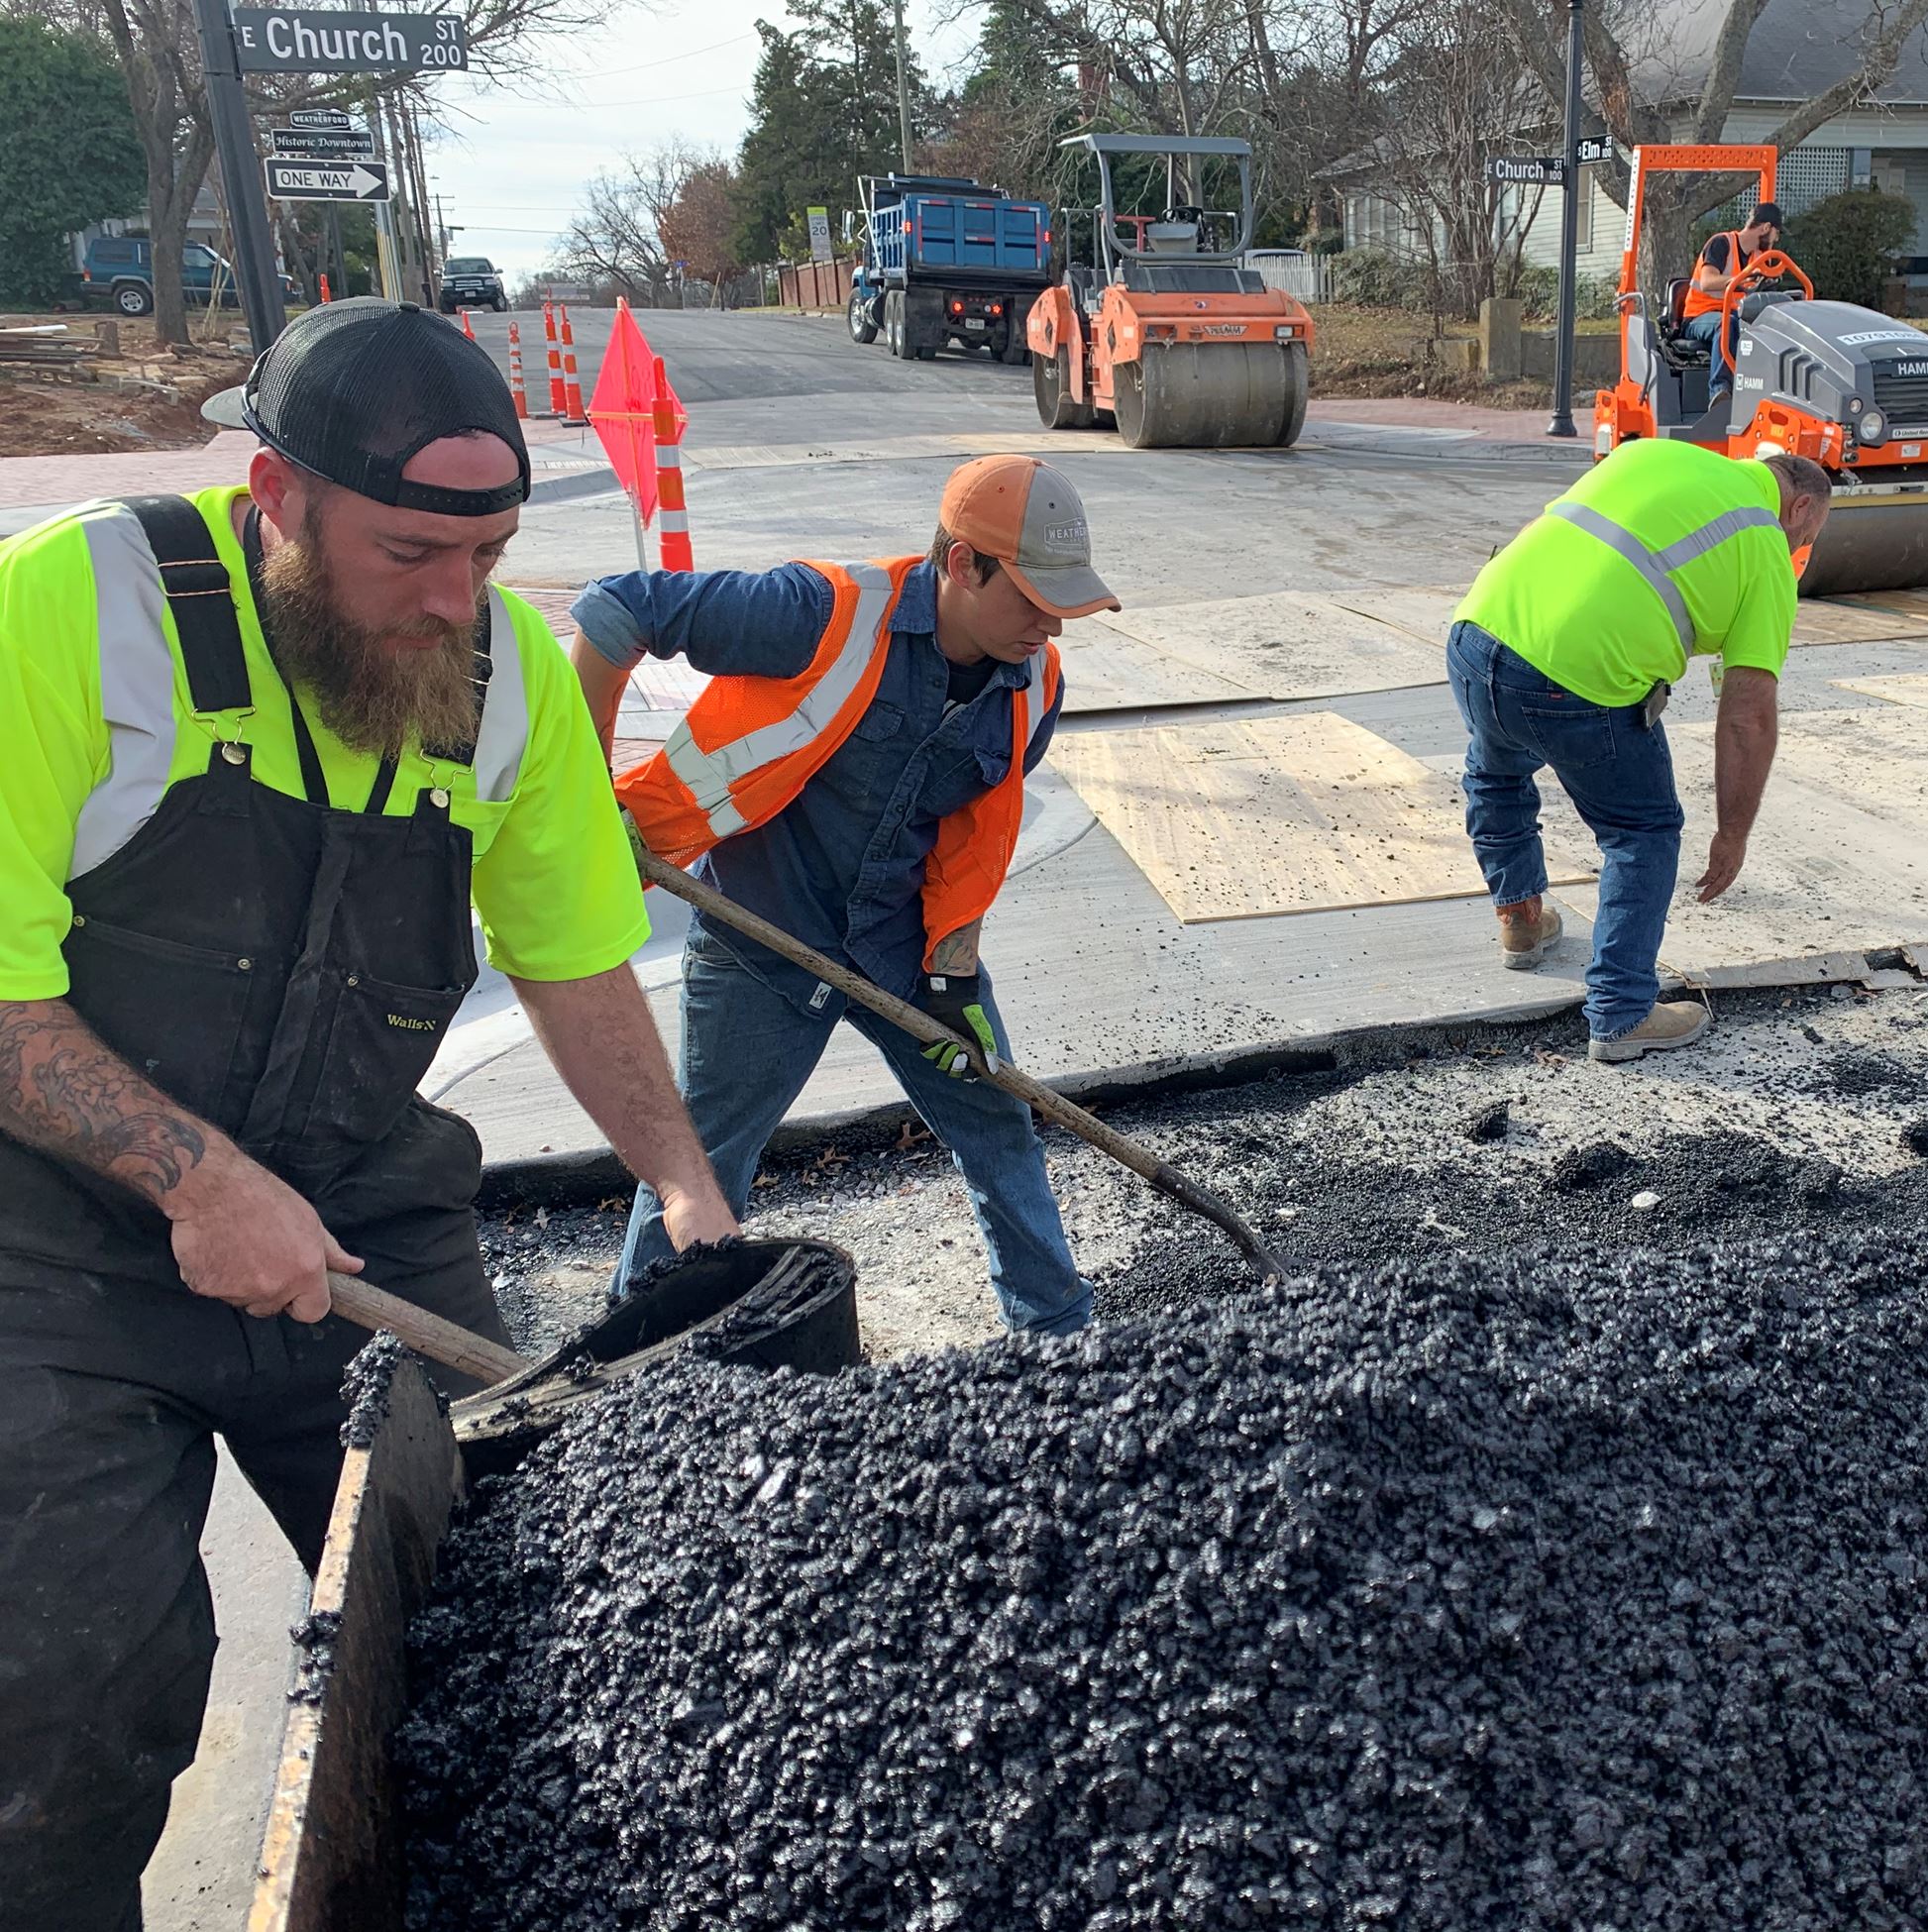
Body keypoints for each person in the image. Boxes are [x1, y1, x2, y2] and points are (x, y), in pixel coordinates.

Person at [0, 297, 736, 1931]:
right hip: (47, 1253)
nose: (452, 601)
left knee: (501, 1607)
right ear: (277, 496)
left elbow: (573, 958)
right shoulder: (77, 615)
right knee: (72, 1684)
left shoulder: (503, 675)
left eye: (484, 555)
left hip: (353, 1213)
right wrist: (194, 1176)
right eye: (411, 552)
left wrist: (682, 1179)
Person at [575, 455, 1115, 1336]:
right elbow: (614, 611)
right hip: (761, 937)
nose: (1049, 621)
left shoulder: (1035, 687)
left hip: (902, 951)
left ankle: (1056, 1334)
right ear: (960, 565)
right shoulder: (819, 613)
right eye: (1028, 594)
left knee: (998, 1123)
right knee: (702, 1167)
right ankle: (636, 1364)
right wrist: (586, 790)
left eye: (1061, 599)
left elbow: (968, 841)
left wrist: (951, 982)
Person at [1445, 442, 1834, 1063]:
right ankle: (1622, 1015)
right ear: (1802, 506)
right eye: (1805, 539)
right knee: (1642, 831)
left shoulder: (1654, 453)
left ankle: (1521, 920)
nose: (1797, 553)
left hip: (1476, 634)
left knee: (1497, 772)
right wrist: (1731, 835)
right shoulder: (1764, 544)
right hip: (1574, 680)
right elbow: (1747, 716)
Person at [1681, 199, 1787, 376]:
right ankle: (1721, 389)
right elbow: (1707, 282)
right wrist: (1741, 280)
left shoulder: (1760, 258)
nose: (1775, 240)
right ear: (1766, 228)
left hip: (1735, 317)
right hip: (1700, 317)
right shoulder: (1721, 243)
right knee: (1727, 324)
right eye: (1776, 234)